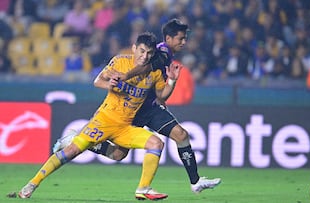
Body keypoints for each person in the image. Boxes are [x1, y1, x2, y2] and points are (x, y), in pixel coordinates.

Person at [54, 18, 221, 193]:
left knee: (181, 135)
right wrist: (125, 76)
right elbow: (145, 68)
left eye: (185, 38)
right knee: (118, 154)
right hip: (133, 110)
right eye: (181, 38)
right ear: (169, 38)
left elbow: (160, 94)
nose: (184, 42)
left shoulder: (168, 55)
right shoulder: (161, 53)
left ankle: (195, 182)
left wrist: (171, 81)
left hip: (150, 108)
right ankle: (75, 140)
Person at [18, 32, 178, 201]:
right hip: (104, 120)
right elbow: (97, 81)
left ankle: (143, 188)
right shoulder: (120, 61)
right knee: (71, 152)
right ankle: (32, 184)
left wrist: (172, 81)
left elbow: (161, 97)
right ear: (134, 48)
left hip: (126, 126)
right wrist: (109, 84)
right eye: (142, 51)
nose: (145, 57)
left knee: (144, 147)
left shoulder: (154, 72)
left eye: (149, 53)